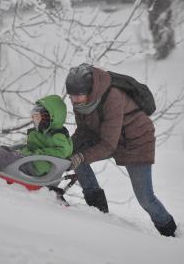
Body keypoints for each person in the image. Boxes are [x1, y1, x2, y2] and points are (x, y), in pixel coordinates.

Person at [66, 63, 177, 237]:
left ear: (90, 90)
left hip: (136, 142)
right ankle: (97, 210)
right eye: (71, 96)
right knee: (74, 153)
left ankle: (169, 230)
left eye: (78, 96)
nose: (73, 100)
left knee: (145, 198)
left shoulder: (112, 97)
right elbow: (84, 131)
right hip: (108, 135)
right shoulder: (82, 102)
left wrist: (80, 157)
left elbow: (108, 145)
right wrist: (68, 148)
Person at [0, 94, 73, 177]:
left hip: (37, 166)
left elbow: (62, 152)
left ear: (51, 119)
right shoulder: (41, 132)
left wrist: (36, 153)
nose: (36, 121)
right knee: (7, 152)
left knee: (9, 158)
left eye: (39, 118)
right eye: (34, 117)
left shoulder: (58, 137)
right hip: (29, 158)